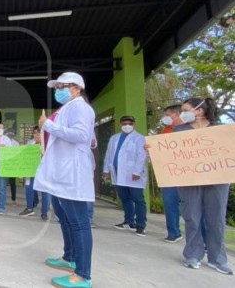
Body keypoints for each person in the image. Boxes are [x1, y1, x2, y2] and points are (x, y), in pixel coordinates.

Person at [35, 72, 95, 288]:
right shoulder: (68, 107)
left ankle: (83, 275)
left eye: (63, 86)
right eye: (57, 87)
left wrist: (46, 124)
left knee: (78, 223)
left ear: (77, 88)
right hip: (61, 171)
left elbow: (80, 135)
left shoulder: (80, 106)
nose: (58, 90)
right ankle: (69, 256)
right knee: (64, 216)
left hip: (72, 173)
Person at [174, 98, 232, 275]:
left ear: (199, 111)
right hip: (189, 179)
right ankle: (193, 254)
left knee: (217, 219)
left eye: (185, 110)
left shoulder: (222, 130)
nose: (182, 113)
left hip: (217, 179)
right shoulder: (179, 131)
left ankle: (217, 259)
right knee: (192, 216)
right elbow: (170, 154)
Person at [103, 116, 148, 237]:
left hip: (133, 174)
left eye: (130, 123)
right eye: (124, 123)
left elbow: (142, 155)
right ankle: (129, 221)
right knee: (125, 199)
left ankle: (141, 225)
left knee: (138, 200)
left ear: (134, 124)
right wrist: (106, 169)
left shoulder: (139, 138)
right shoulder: (114, 138)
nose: (127, 125)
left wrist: (137, 172)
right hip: (118, 173)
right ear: (120, 124)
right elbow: (109, 154)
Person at [159, 104, 184, 243]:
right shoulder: (166, 131)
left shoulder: (191, 129)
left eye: (167, 115)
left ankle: (203, 239)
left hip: (188, 174)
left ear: (177, 114)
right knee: (170, 203)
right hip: (169, 173)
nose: (166, 118)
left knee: (194, 208)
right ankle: (174, 232)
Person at [20, 126, 51, 221]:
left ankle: (44, 212)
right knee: (29, 189)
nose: (36, 135)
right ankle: (29, 208)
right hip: (31, 170)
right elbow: (25, 156)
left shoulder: (48, 144)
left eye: (38, 133)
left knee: (45, 192)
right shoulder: (30, 143)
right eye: (34, 133)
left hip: (44, 171)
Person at [5, 128, 20, 207]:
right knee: (2, 183)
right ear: (5, 133)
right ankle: (2, 199)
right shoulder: (2, 142)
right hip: (4, 165)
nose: (10, 133)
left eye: (12, 132)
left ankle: (13, 200)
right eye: (8, 132)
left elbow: (18, 155)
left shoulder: (16, 143)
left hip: (12, 166)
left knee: (12, 183)